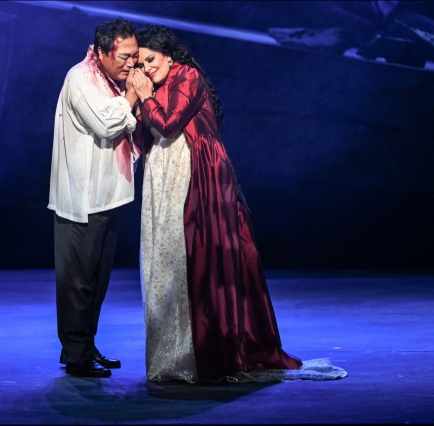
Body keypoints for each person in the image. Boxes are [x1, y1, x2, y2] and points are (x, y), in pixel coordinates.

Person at [130, 26, 311, 383]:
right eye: (140, 63)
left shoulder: (188, 76)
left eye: (151, 59)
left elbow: (167, 124)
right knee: (164, 264)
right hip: (162, 177)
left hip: (198, 173)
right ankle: (171, 358)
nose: (147, 68)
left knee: (197, 260)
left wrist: (144, 96)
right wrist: (138, 101)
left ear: (169, 55)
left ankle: (204, 354)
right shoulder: (153, 84)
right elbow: (142, 133)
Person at [48, 18, 140, 378]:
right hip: (83, 197)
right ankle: (76, 354)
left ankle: (83, 347)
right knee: (77, 280)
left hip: (108, 195)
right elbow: (106, 124)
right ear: (102, 51)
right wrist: (132, 95)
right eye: (125, 56)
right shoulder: (81, 78)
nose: (131, 63)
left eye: (135, 55)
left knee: (97, 279)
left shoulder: (108, 80)